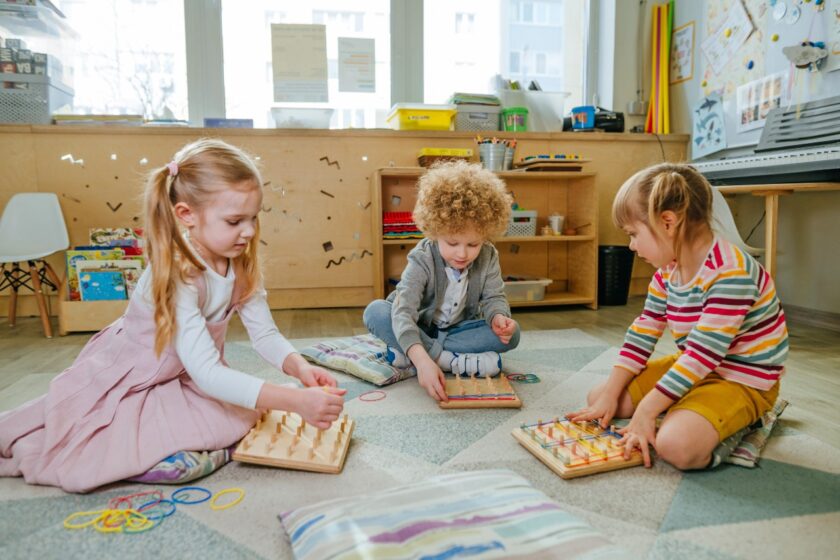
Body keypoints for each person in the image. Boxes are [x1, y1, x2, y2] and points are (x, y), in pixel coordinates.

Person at [0, 138, 345, 492]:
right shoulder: (178, 273)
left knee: (237, 416)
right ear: (186, 215)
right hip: (132, 380)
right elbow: (209, 373)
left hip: (184, 377)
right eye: (235, 220)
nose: (250, 231)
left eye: (254, 218)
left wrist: (299, 367)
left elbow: (266, 335)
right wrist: (295, 402)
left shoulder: (240, 264)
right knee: (99, 445)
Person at [569, 163, 788, 470]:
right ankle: (689, 409)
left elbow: (701, 355)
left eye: (633, 234)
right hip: (700, 367)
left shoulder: (731, 274)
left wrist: (647, 411)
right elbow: (643, 334)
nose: (631, 245)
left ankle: (748, 421)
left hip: (743, 379)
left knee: (676, 446)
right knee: (601, 398)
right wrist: (611, 395)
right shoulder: (667, 272)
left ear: (667, 222)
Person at [364, 160, 521, 402]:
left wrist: (498, 317)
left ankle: (410, 353)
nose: (462, 254)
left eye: (473, 244)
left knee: (514, 334)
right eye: (452, 243)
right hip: (420, 326)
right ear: (434, 230)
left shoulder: (489, 255)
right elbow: (403, 311)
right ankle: (446, 360)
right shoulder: (422, 257)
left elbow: (494, 298)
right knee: (376, 312)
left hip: (457, 330)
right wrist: (425, 362)